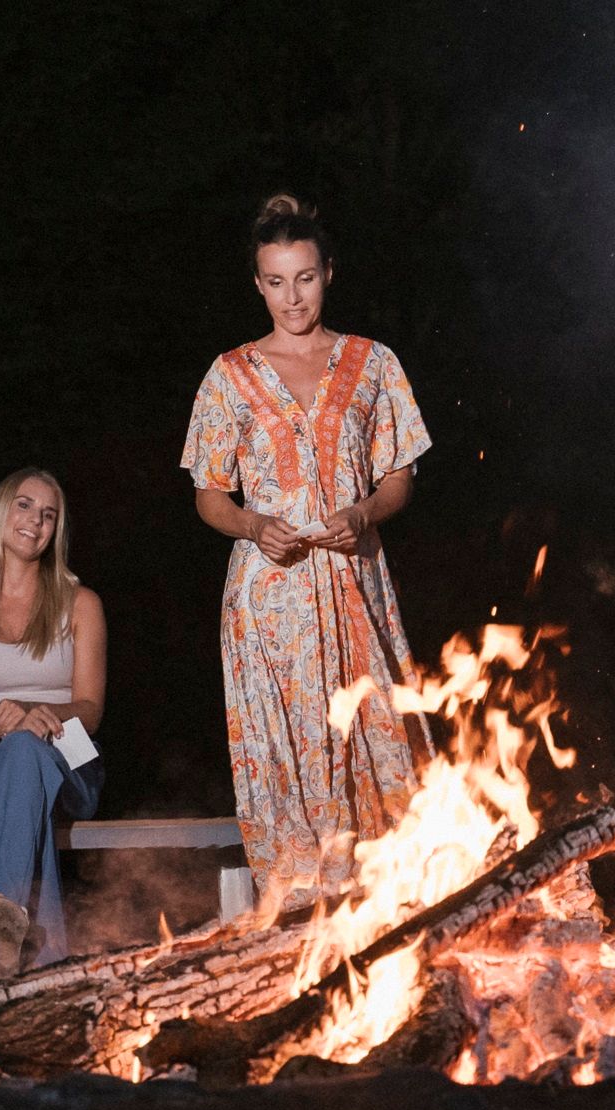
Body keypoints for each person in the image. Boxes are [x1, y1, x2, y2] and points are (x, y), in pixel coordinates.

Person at [182, 194, 434, 905]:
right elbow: (209, 494)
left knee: (376, 736)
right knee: (287, 756)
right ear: (257, 284)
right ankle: (299, 926)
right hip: (270, 603)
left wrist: (363, 511)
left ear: (328, 273)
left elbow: (398, 476)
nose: (292, 297)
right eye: (275, 281)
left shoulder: (372, 363)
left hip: (354, 584)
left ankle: (397, 908)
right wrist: (252, 523)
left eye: (305, 277)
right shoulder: (229, 375)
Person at [0, 467, 106, 962]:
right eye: (25, 505)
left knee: (29, 754)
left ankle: (7, 929)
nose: (36, 521)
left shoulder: (81, 604)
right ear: (0, 513)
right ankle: (42, 956)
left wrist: (32, 711)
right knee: (24, 770)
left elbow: (90, 712)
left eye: (49, 514)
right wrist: (3, 722)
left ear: (57, 530)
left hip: (68, 758)